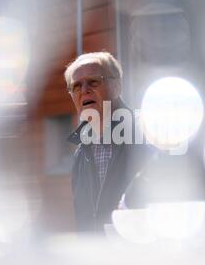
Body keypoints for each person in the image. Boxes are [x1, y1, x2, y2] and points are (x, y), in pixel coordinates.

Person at [65, 51, 153, 232]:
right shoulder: (81, 153)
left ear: (116, 87)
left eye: (93, 82)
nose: (84, 90)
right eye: (76, 86)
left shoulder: (147, 135)